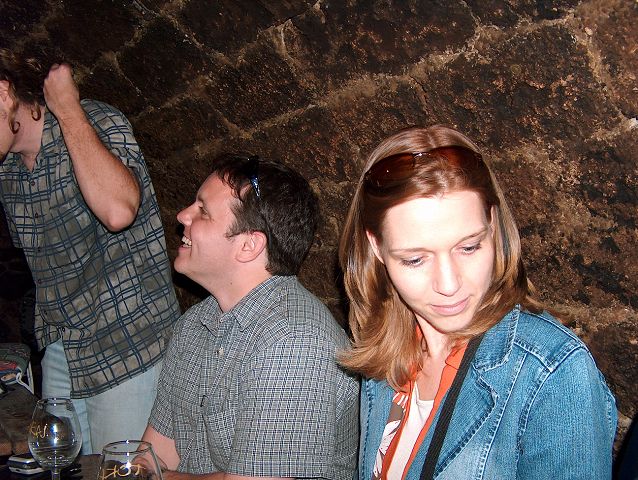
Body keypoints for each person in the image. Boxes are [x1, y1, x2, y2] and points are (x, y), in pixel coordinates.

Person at [339, 125, 617, 479]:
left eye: (469, 247)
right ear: (377, 247)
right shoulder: (386, 355)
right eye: (415, 259)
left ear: (493, 226)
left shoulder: (552, 372)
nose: (449, 284)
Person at [0, 48, 180, 453]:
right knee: (62, 463)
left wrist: (67, 111)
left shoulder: (93, 121)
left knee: (123, 472)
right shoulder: (8, 172)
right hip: (63, 348)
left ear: (3, 92)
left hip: (128, 343)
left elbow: (119, 211)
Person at [142, 154, 359, 480]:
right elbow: (153, 456)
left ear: (248, 246)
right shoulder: (194, 325)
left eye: (202, 211)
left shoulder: (295, 343)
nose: (182, 215)